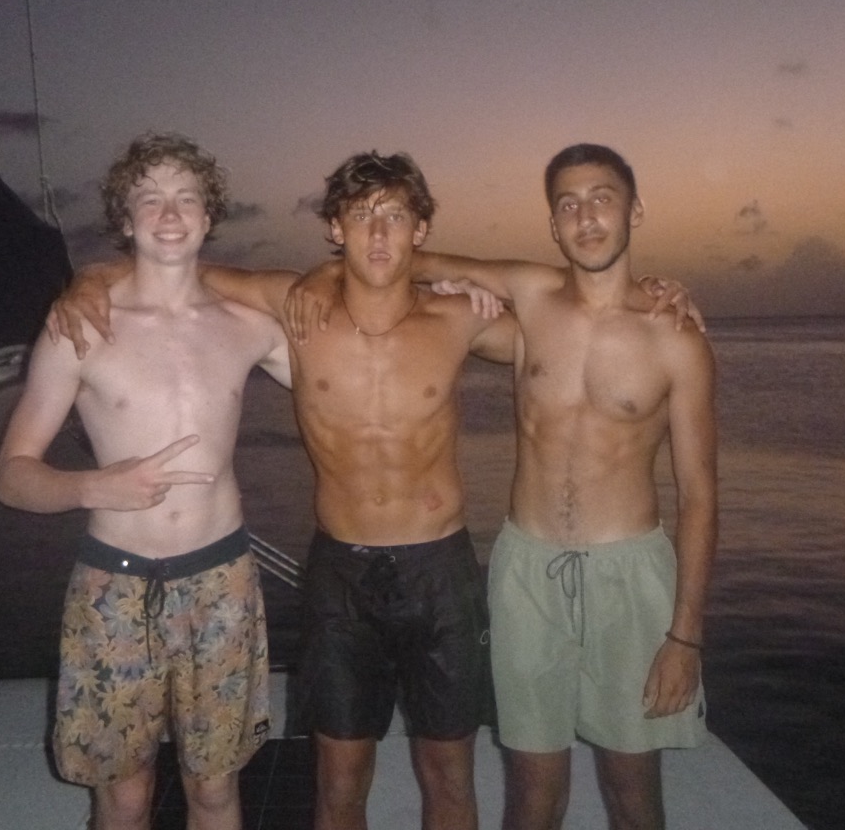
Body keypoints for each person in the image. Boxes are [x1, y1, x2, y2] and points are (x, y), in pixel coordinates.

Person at [52, 149, 698, 830]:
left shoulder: (461, 317)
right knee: (339, 780)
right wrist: (91, 277)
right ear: (335, 229)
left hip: (439, 570)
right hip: (342, 574)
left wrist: (650, 294)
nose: (380, 232)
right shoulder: (295, 304)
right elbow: (179, 270)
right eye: (361, 217)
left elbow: (578, 324)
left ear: (422, 230)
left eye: (395, 216)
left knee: (449, 777)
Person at [396, 143, 717, 830]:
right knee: (533, 795)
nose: (586, 216)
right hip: (528, 574)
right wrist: (445, 287)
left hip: (631, 577)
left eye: (602, 198)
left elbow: (699, 495)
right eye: (568, 204)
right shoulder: (531, 294)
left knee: (633, 792)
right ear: (551, 224)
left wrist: (685, 636)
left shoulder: (676, 339)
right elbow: (406, 260)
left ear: (635, 210)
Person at [0, 133, 290, 830]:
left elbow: (355, 373)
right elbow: (11, 476)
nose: (170, 213)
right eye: (149, 199)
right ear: (125, 220)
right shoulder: (80, 326)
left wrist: (451, 293)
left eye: (186, 198)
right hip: (114, 586)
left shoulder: (251, 327)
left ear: (209, 217)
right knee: (123, 796)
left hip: (223, 580)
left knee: (214, 789)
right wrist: (93, 487)